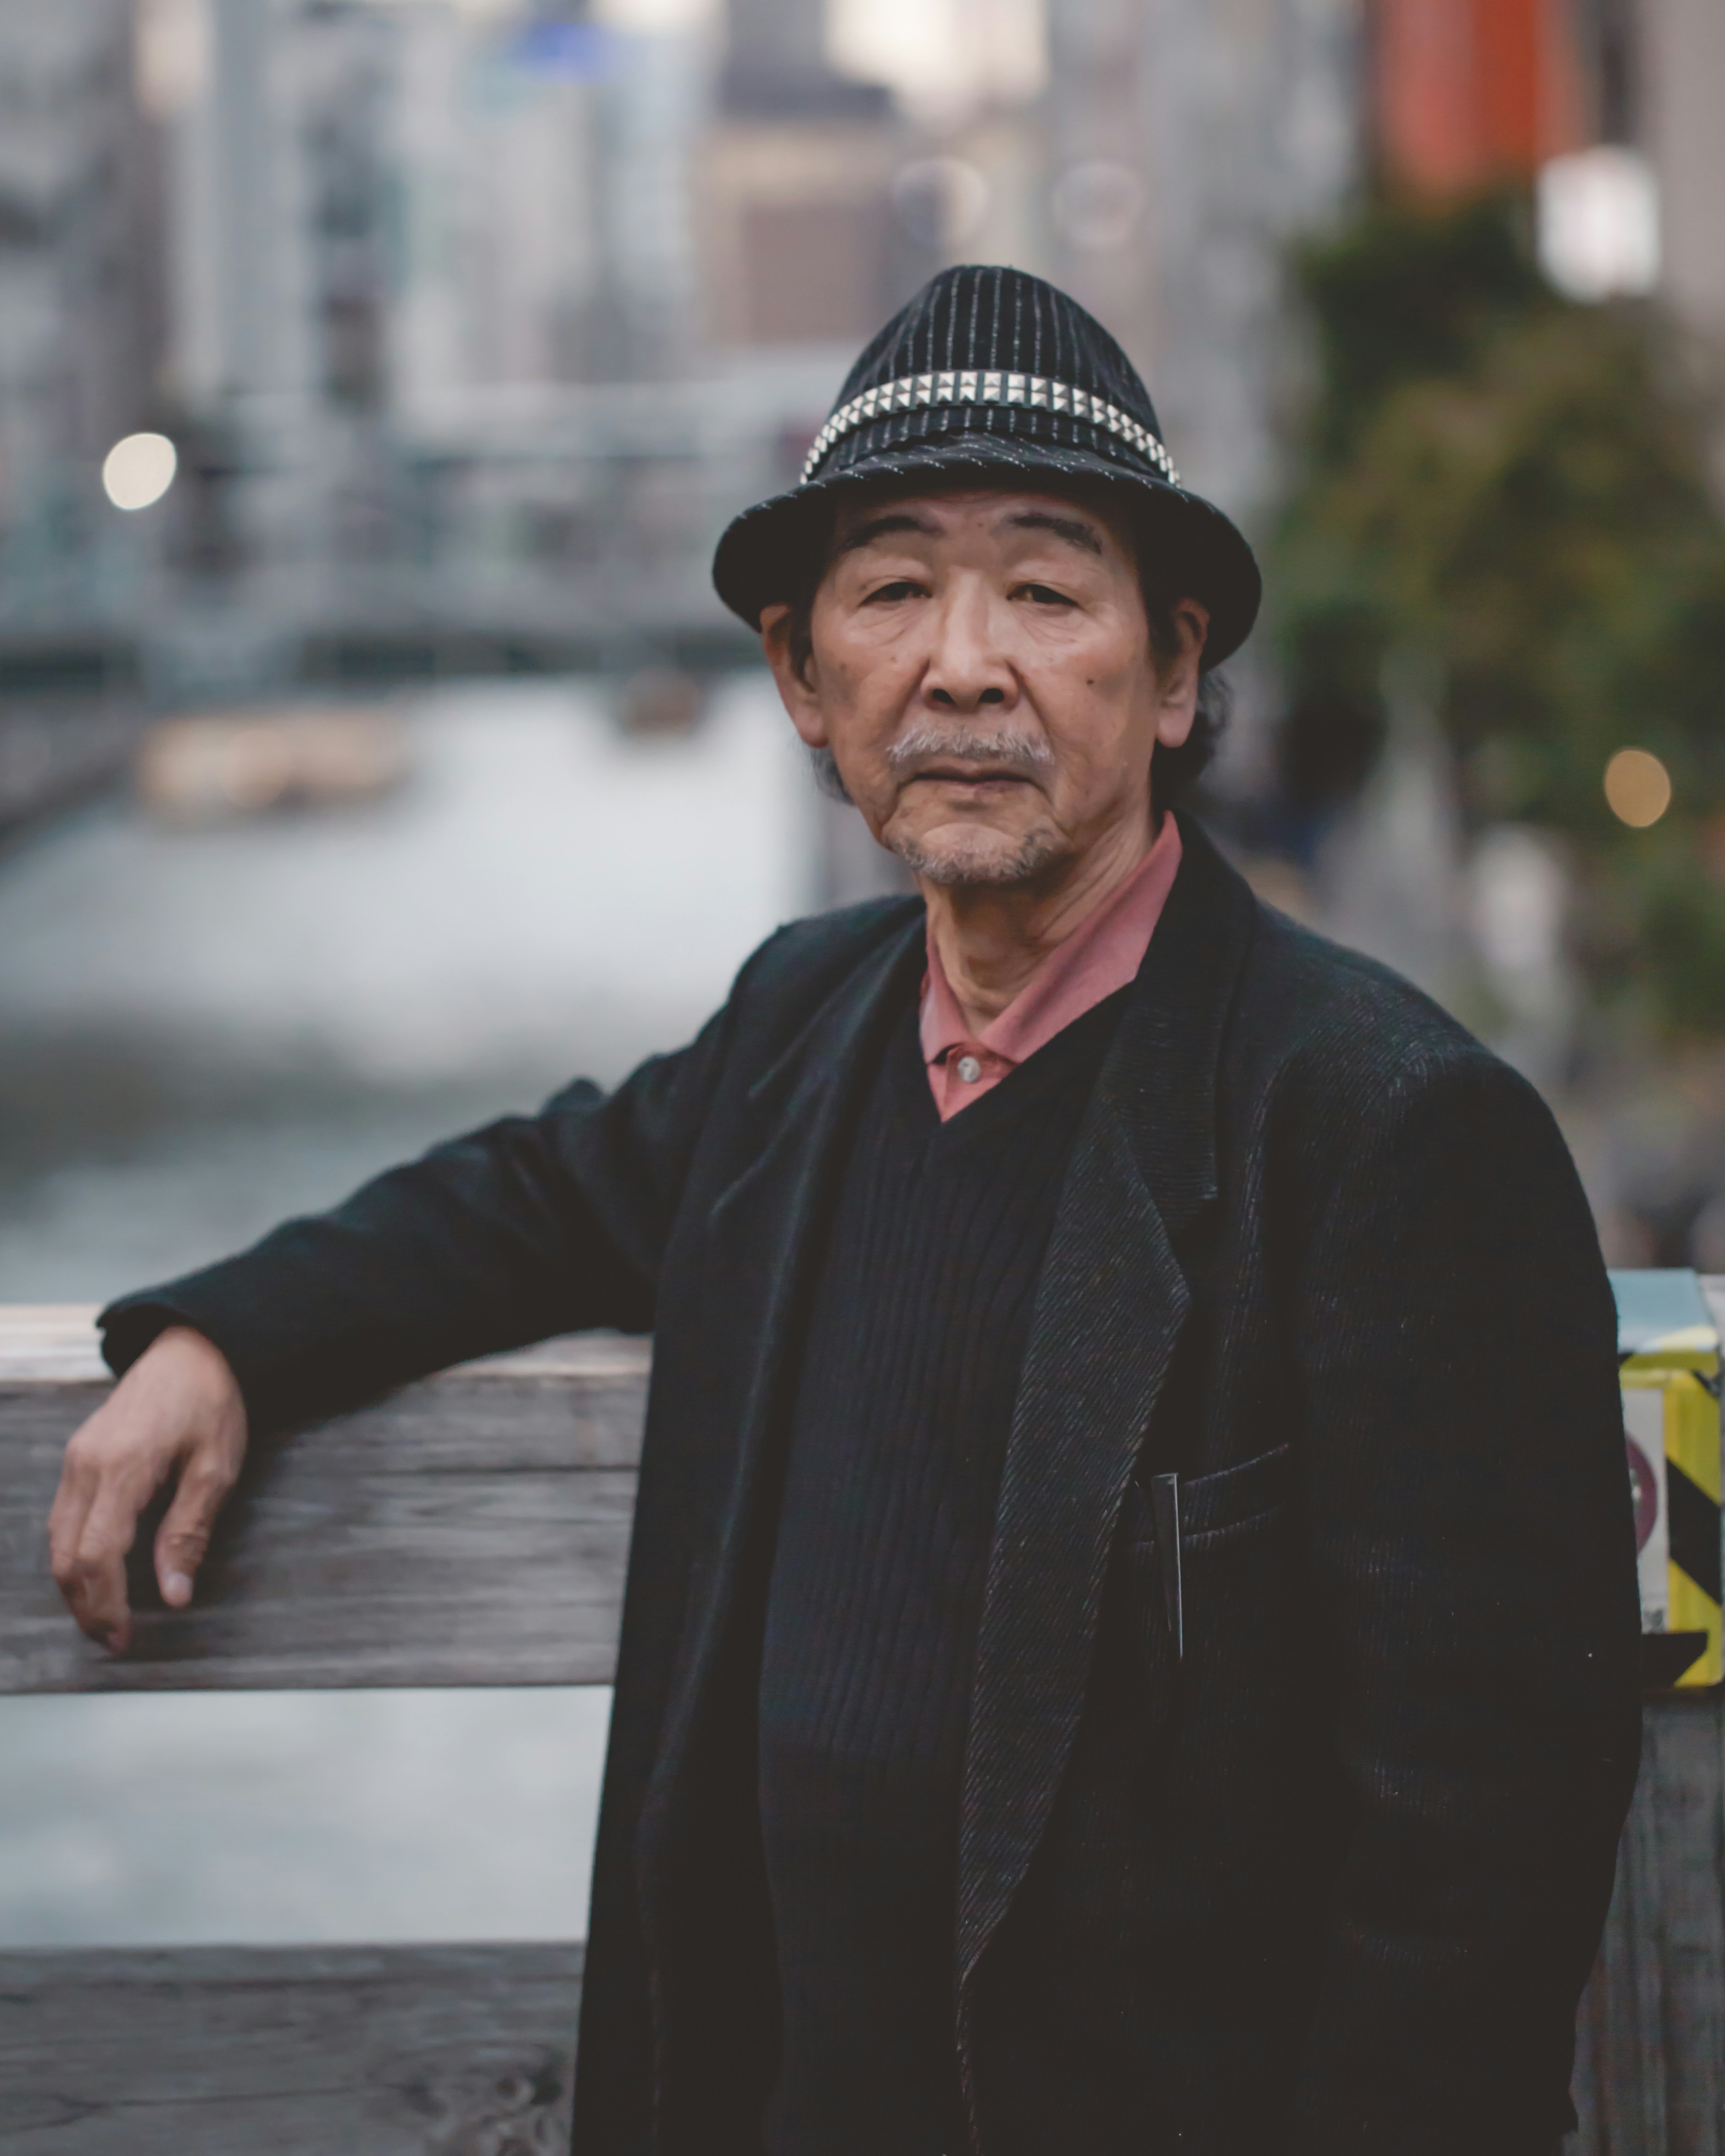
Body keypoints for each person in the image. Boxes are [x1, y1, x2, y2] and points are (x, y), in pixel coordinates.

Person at [48, 265, 1639, 2156]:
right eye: (890, 591)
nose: (964, 661)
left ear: (1178, 665)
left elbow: (1479, 1865)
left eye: (1046, 589)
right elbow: (532, 1192)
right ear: (807, 684)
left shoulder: (1386, 1128)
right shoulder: (799, 1028)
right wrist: (222, 1335)